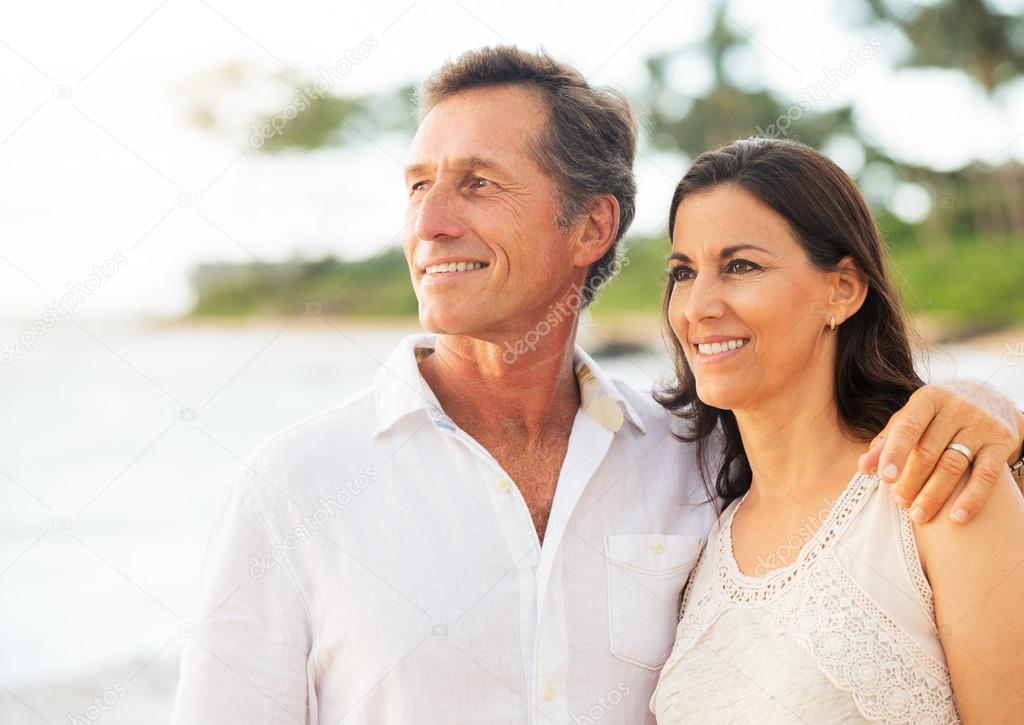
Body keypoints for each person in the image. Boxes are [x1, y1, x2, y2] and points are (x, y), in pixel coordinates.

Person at [171, 47, 1024, 725]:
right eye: (418, 186)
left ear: (591, 224)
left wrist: (991, 410)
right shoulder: (295, 488)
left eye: (477, 182)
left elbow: (830, 446)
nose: (430, 222)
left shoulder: (688, 453)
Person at [650, 138, 1024, 724]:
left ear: (842, 291)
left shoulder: (938, 492)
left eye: (741, 266)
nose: (698, 306)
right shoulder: (698, 532)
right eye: (683, 272)